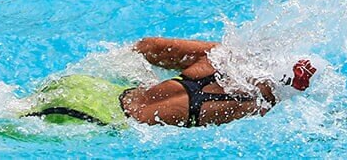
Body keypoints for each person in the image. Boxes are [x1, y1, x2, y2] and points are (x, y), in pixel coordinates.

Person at [21, 37, 315, 128]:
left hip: (88, 88)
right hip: (91, 122)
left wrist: (144, 80)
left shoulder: (222, 58)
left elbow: (149, 47)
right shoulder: (254, 108)